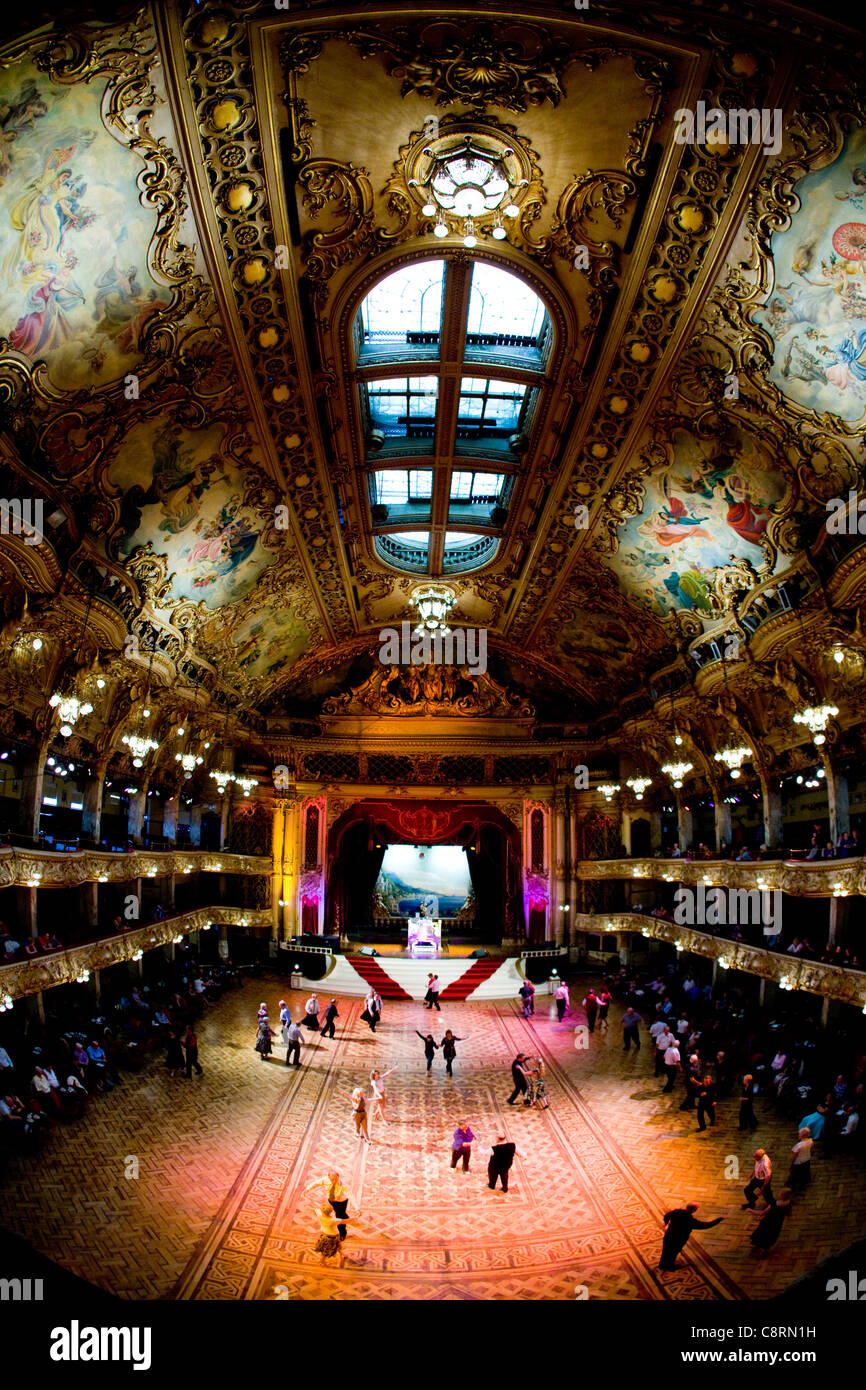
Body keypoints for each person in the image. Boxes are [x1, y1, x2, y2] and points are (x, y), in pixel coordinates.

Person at [658, 1203, 724, 1271]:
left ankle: (662, 1264)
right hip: (679, 1239)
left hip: (669, 1235)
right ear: (693, 1210)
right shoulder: (690, 1220)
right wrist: (719, 1219)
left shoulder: (677, 1211)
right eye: (696, 1208)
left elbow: (667, 1215)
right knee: (673, 1252)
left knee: (666, 1250)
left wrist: (666, 1222)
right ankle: (669, 1266)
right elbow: (705, 1225)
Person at [304, 1171, 351, 1241]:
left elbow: (350, 1196)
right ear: (329, 1177)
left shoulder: (342, 1185)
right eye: (332, 1179)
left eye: (336, 1179)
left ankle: (342, 1233)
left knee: (339, 1215)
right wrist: (308, 1189)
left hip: (341, 1202)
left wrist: (357, 1208)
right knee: (341, 1214)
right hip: (331, 1200)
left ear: (338, 1177)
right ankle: (346, 1218)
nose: (334, 1181)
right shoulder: (325, 1180)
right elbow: (316, 1183)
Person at [749, 1188, 792, 1256]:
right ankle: (763, 1249)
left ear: (783, 1195)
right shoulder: (788, 1203)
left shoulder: (774, 1203)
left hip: (768, 1222)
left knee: (762, 1233)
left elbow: (761, 1213)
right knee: (770, 1235)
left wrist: (750, 1210)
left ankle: (758, 1247)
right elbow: (788, 1213)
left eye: (780, 1193)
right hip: (777, 1224)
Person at [313, 1202, 353, 1267]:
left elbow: (315, 1209)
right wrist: (356, 1217)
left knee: (337, 1246)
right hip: (331, 1238)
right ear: (331, 1212)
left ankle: (342, 1254)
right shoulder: (333, 1220)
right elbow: (347, 1221)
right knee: (326, 1251)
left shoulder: (320, 1214)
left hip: (324, 1235)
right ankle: (321, 1261)